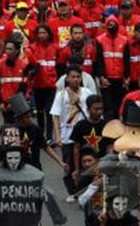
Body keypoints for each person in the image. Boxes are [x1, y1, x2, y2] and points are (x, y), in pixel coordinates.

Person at [50, 65, 93, 202]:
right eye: (72, 77)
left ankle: (85, 189)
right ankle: (71, 191)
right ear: (67, 79)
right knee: (69, 165)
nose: (75, 79)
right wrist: (57, 136)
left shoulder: (87, 92)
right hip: (67, 135)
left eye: (78, 77)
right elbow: (55, 116)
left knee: (85, 163)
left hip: (85, 135)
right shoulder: (61, 95)